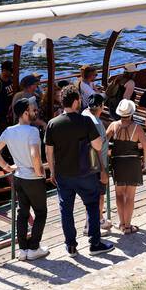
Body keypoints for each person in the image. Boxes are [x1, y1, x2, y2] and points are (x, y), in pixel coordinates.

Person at [43, 85, 113, 256]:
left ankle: (71, 246)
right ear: (75, 102)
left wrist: (52, 172)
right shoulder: (85, 121)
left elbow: (48, 151)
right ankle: (94, 244)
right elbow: (97, 145)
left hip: (63, 175)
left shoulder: (53, 124)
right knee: (92, 206)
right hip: (86, 173)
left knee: (66, 211)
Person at [0, 97, 50, 260]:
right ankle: (34, 248)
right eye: (32, 110)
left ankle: (22, 250)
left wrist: (7, 167)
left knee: (22, 213)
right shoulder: (32, 131)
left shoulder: (9, 131)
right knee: (41, 212)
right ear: (24, 113)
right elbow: (34, 154)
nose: (35, 112)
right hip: (33, 178)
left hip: (18, 177)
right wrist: (40, 172)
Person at [105, 99, 146, 234]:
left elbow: (102, 143)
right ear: (131, 113)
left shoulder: (113, 125)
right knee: (130, 196)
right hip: (133, 162)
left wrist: (109, 154)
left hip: (118, 163)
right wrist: (145, 160)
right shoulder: (137, 127)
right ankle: (128, 226)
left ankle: (122, 223)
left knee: (118, 194)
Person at [83, 93, 113, 231]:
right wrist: (103, 170)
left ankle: (88, 223)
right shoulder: (95, 122)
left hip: (85, 164)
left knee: (90, 197)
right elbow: (98, 148)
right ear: (101, 106)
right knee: (99, 195)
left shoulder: (84, 115)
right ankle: (99, 221)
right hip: (97, 164)